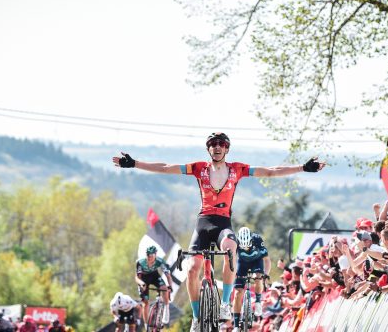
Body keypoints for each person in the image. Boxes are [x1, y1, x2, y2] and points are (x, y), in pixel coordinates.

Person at [112, 132, 326, 331]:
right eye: (213, 145)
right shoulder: (198, 169)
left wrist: (303, 168)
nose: (217, 147)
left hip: (223, 224)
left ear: (227, 149)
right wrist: (134, 164)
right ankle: (197, 317)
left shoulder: (237, 169)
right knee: (192, 268)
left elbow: (270, 171)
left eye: (221, 145)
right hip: (203, 223)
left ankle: (225, 303)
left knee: (231, 248)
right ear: (208, 149)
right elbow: (167, 167)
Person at [231, 226, 270, 332]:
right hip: (242, 264)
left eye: (248, 246)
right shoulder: (235, 243)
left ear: (251, 241)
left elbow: (266, 260)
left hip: (256, 262)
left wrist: (265, 274)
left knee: (259, 278)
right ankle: (235, 325)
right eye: (244, 247)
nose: (246, 249)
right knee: (238, 293)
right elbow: (232, 261)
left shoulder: (257, 240)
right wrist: (233, 273)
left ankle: (258, 302)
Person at [135, 245, 172, 326]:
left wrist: (170, 286)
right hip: (143, 279)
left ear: (155, 255)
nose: (149, 257)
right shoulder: (140, 262)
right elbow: (137, 278)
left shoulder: (160, 261)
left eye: (151, 255)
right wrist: (142, 284)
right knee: (145, 302)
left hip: (154, 276)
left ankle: (166, 308)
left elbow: (168, 275)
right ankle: (146, 324)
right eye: (147, 255)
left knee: (164, 288)